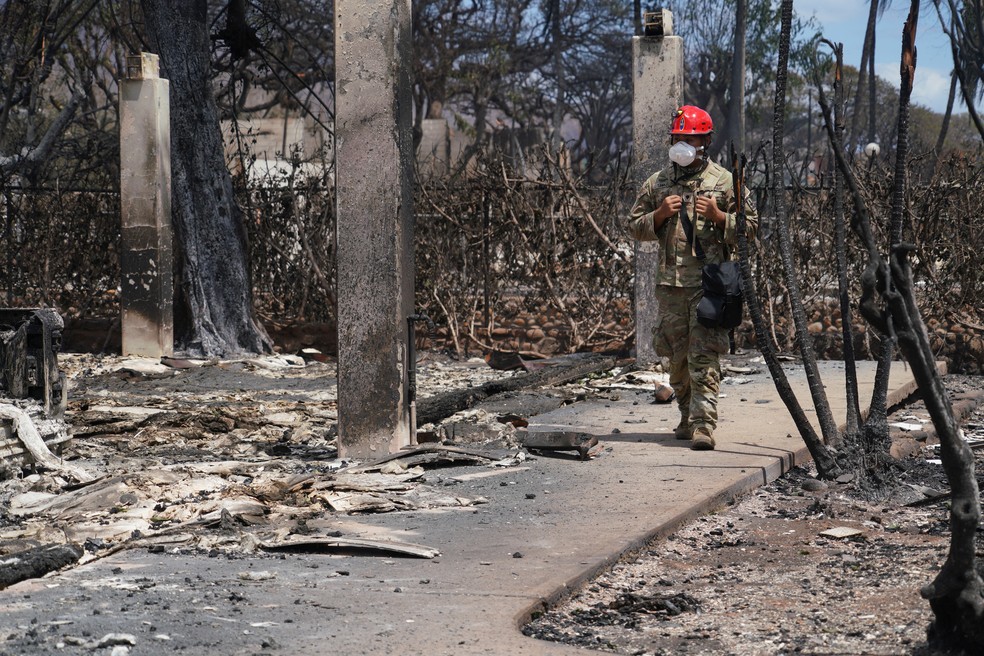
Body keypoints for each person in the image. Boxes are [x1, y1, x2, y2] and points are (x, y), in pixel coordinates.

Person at [627, 105, 758, 451]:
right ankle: (686, 417)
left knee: (703, 356)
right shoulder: (658, 182)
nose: (682, 144)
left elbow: (751, 228)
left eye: (690, 139)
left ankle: (704, 425)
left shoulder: (726, 182)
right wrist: (658, 215)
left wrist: (720, 217)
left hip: (709, 285)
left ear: (705, 142)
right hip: (670, 286)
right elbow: (633, 226)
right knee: (677, 358)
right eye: (678, 138)